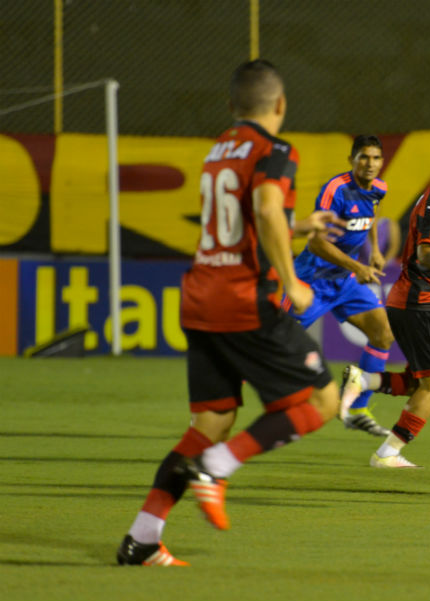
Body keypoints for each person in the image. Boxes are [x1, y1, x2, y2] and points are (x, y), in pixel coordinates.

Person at [116, 59, 343, 566]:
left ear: (231, 107)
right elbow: (263, 209)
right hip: (244, 299)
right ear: (280, 105)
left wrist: (300, 223)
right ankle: (216, 469)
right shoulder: (275, 149)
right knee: (324, 400)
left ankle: (143, 538)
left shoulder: (219, 149)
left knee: (212, 419)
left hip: (199, 298)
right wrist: (293, 283)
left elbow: (245, 214)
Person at [342, 132, 430, 468]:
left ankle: (365, 381)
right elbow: (426, 252)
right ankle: (387, 453)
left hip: (411, 300)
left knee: (421, 380)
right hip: (419, 302)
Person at [283, 135, 394, 436]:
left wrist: (376, 251)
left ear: (381, 162)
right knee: (267, 345)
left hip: (343, 282)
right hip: (311, 281)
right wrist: (358, 266)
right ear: (352, 159)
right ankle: (213, 407)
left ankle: (357, 408)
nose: (370, 164)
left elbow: (373, 216)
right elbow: (316, 243)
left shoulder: (379, 188)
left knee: (382, 333)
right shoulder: (336, 189)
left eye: (375, 158)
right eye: (363, 157)